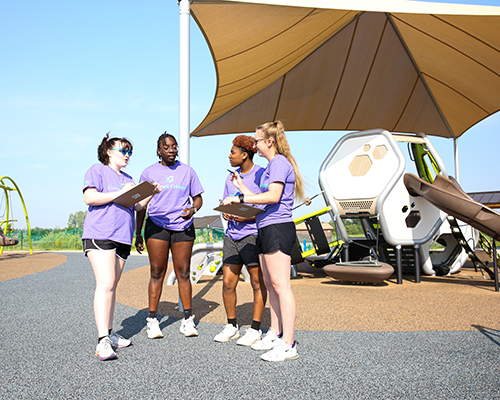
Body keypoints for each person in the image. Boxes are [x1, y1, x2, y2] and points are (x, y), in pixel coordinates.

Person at [223, 121, 304, 362]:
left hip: (277, 227)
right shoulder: (271, 166)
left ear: (269, 141)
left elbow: (273, 196)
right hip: (265, 226)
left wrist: (241, 194)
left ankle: (288, 343)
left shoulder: (279, 163)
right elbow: (259, 202)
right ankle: (276, 333)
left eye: (257, 140)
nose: (255, 145)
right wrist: (239, 192)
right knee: (271, 283)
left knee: (281, 286)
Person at [82, 133, 161, 361]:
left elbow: (136, 207)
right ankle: (102, 341)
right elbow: (90, 197)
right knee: (105, 284)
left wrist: (150, 194)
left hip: (122, 237)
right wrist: (122, 192)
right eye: (123, 150)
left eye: (130, 152)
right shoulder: (96, 170)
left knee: (113, 286)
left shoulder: (128, 177)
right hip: (101, 233)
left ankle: (109, 333)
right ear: (108, 151)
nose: (127, 155)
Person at [135, 132, 204, 339]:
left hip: (182, 226)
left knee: (183, 272)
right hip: (157, 226)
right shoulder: (148, 172)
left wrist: (193, 209)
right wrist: (138, 233)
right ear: (159, 151)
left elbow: (198, 198)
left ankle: (187, 320)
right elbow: (140, 207)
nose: (172, 150)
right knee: (157, 272)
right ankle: (153, 320)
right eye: (167, 147)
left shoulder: (187, 171)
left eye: (174, 146)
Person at [214, 135, 267, 346]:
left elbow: (265, 206)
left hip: (252, 235)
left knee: (256, 283)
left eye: (233, 152)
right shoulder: (230, 177)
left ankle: (255, 329)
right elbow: (226, 201)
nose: (229, 156)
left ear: (244, 155)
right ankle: (231, 326)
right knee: (228, 283)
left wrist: (246, 216)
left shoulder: (262, 174)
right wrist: (226, 212)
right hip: (232, 236)